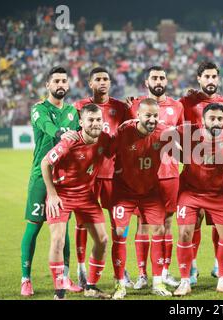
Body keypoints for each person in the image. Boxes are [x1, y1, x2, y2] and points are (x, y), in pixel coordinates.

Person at [20, 66, 81, 296]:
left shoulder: (73, 112)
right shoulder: (39, 109)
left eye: (64, 81)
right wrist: (59, 134)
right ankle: (26, 278)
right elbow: (45, 126)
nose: (60, 85)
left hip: (64, 179)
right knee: (33, 228)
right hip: (40, 176)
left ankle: (64, 277)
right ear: (48, 85)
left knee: (62, 230)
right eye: (56, 81)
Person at [41, 104, 112, 300]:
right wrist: (52, 194)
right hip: (62, 195)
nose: (95, 123)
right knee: (57, 240)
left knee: (103, 240)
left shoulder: (105, 139)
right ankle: (59, 293)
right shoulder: (70, 142)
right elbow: (45, 163)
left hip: (87, 197)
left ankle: (91, 286)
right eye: (90, 120)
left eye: (98, 120)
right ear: (81, 123)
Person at [73, 67, 133, 289]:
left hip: (114, 174)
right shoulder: (79, 107)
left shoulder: (120, 107)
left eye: (106, 79)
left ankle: (121, 269)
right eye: (97, 79)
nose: (103, 82)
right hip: (86, 177)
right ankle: (80, 269)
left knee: (119, 223)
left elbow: (131, 133)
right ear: (90, 83)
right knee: (82, 225)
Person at [173, 103, 223, 296]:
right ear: (203, 120)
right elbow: (166, 132)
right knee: (185, 232)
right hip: (190, 192)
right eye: (212, 118)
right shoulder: (190, 131)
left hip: (216, 193)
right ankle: (185, 281)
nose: (216, 122)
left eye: (220, 119)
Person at [179, 61, 223, 285]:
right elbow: (169, 118)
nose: (211, 81)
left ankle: (217, 265)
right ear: (199, 79)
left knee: (219, 220)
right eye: (207, 77)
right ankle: (191, 268)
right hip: (194, 170)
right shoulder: (186, 102)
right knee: (194, 220)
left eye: (214, 77)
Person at [109, 98, 173, 299]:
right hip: (124, 192)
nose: (152, 119)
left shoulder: (164, 132)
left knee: (159, 231)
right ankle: (120, 284)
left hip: (150, 192)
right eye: (148, 115)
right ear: (138, 115)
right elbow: (107, 153)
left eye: (155, 115)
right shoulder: (124, 131)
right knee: (119, 233)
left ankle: (158, 282)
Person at [130, 66, 184, 289]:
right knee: (142, 223)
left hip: (170, 173)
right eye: (154, 77)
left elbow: (182, 137)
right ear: (147, 81)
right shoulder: (135, 105)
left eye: (162, 77)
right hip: (143, 174)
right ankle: (142, 274)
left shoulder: (177, 106)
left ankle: (164, 271)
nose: (159, 80)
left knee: (167, 223)